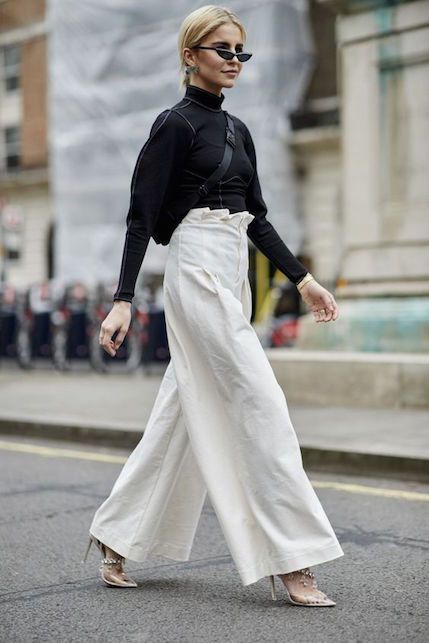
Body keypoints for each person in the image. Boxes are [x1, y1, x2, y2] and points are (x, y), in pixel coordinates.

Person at [83, 5, 344, 607]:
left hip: (232, 267)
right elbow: (141, 217)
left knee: (182, 410)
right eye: (223, 49)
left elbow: (256, 217)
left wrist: (303, 280)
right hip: (195, 266)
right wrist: (123, 300)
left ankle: (115, 534)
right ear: (190, 54)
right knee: (259, 398)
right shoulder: (172, 125)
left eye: (240, 52)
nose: (234, 61)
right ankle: (293, 558)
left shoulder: (238, 131)